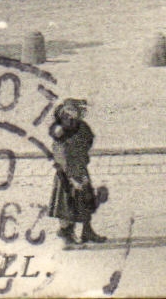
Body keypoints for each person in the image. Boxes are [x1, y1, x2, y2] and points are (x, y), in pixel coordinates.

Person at [48, 98, 106, 247]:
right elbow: (60, 153)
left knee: (86, 200)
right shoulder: (60, 130)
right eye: (71, 111)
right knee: (66, 205)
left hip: (80, 168)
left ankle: (87, 231)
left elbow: (88, 140)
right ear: (64, 113)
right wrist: (70, 176)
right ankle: (66, 236)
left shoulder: (81, 126)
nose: (77, 114)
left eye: (78, 111)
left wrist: (81, 168)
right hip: (67, 174)